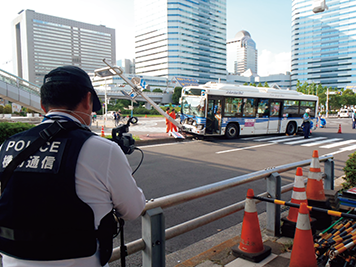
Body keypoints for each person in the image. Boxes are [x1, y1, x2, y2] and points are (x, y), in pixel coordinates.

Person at [0, 66, 146, 267]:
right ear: (87, 100)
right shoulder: (103, 149)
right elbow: (133, 210)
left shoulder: (7, 146)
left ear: (43, 105)